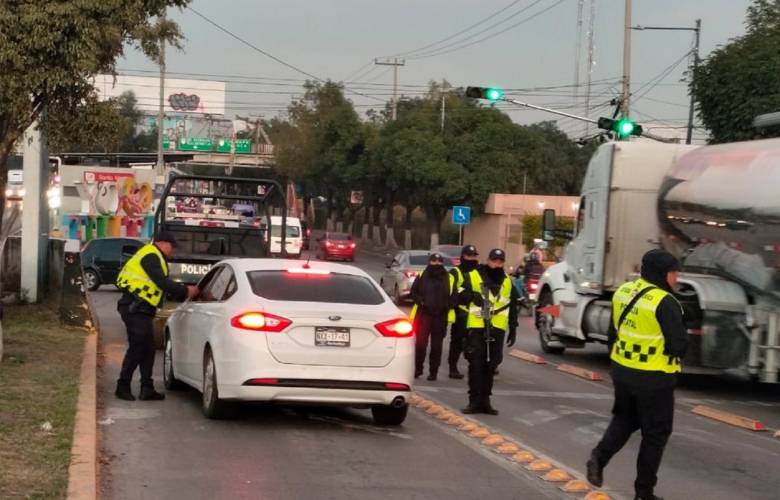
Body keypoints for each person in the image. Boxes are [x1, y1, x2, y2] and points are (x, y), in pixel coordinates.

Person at [586, 249, 688, 500]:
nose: (676, 279)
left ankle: (599, 458)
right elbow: (678, 345)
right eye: (674, 273)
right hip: (654, 376)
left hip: (622, 372)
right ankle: (644, 493)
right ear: (663, 274)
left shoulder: (624, 291)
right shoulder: (665, 302)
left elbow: (613, 334)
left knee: (624, 420)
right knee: (655, 434)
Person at [114, 231, 198, 401]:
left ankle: (147, 388)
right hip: (134, 308)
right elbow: (162, 282)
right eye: (172, 247)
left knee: (148, 349)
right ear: (163, 243)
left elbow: (159, 287)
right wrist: (186, 290)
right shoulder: (151, 255)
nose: (172, 250)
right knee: (138, 347)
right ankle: (122, 386)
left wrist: (181, 292)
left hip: (141, 309)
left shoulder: (154, 256)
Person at [460, 248, 518, 415]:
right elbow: (458, 294)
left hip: (497, 328)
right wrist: (472, 296)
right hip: (477, 326)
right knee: (476, 365)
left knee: (491, 366)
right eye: (494, 260)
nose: (497, 264)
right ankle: (474, 402)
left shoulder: (507, 281)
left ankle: (485, 402)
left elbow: (512, 305)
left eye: (500, 261)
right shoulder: (474, 275)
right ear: (488, 260)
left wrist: (513, 327)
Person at [410, 252, 456, 381]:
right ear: (429, 262)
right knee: (420, 344)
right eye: (434, 261)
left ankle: (433, 372)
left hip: (440, 316)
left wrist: (447, 305)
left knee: (437, 346)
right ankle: (418, 369)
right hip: (424, 315)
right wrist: (421, 301)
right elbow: (413, 292)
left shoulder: (449, 277)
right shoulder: (422, 275)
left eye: (439, 262)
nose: (436, 264)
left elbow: (454, 295)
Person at [447, 245, 480, 379]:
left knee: (476, 341)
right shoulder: (456, 272)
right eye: (469, 255)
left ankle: (477, 366)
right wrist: (468, 295)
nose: (471, 258)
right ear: (463, 256)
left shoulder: (479, 271)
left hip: (478, 313)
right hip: (462, 311)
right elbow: (452, 290)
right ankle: (452, 368)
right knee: (457, 341)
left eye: (474, 256)